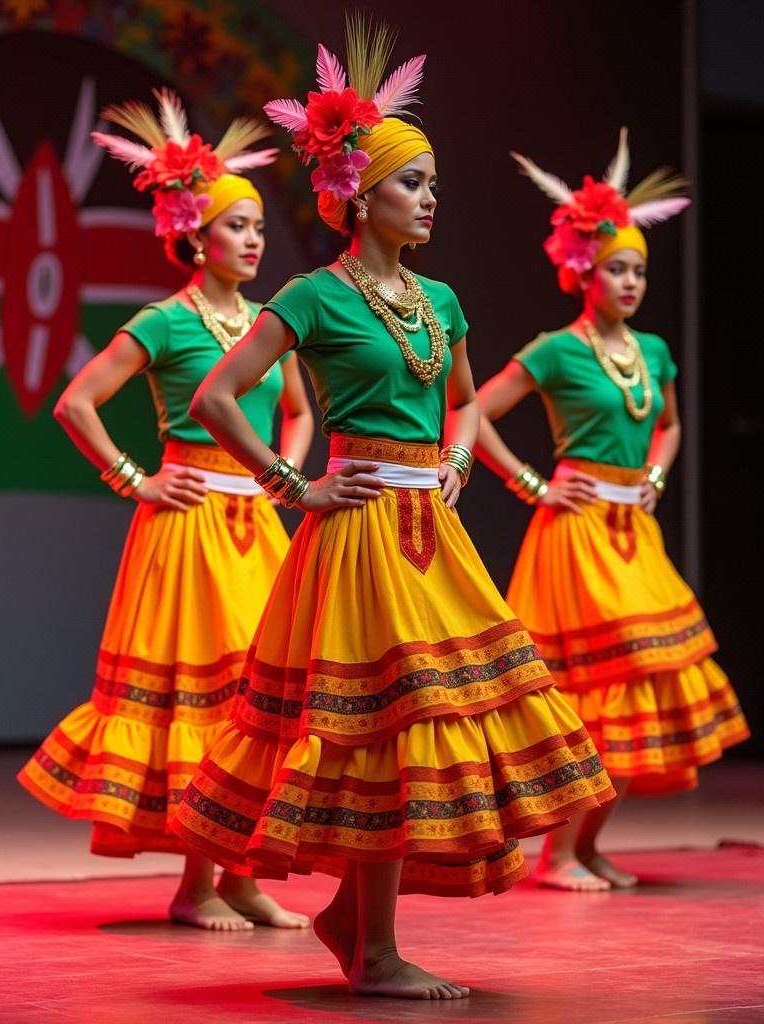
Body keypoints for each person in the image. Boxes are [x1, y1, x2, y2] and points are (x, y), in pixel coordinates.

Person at [172, 25, 615, 999]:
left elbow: (462, 399)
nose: (430, 199)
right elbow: (214, 398)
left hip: (432, 533)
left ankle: (362, 926)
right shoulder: (314, 298)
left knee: (431, 722)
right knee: (380, 726)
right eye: (414, 184)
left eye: (433, 185)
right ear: (359, 195)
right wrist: (298, 486)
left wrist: (461, 455)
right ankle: (370, 944)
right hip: (359, 529)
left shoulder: (443, 300)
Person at [18, 89, 314, 931]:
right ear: (195, 231)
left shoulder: (265, 322)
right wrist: (133, 477)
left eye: (259, 226)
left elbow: (299, 410)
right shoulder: (165, 322)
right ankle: (196, 886)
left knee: (261, 705)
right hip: (186, 528)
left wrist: (283, 474)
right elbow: (78, 401)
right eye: (236, 225)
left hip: (254, 524)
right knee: (210, 705)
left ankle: (245, 877)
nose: (253, 240)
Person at [476, 130, 749, 892]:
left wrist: (658, 474)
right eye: (616, 269)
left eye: (638, 271)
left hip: (635, 530)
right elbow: (470, 411)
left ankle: (587, 845)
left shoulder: (654, 351)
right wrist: (533, 484)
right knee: (599, 689)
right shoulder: (556, 351)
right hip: (578, 533)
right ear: (582, 271)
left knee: (643, 685)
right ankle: (558, 852)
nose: (630, 283)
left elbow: (668, 422)